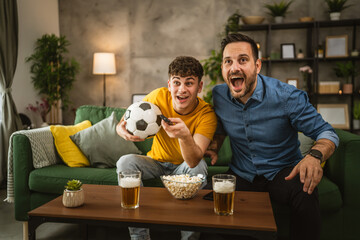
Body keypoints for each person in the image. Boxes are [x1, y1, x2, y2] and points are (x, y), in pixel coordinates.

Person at [206, 33, 339, 240]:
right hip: (242, 174)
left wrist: (314, 156)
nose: (234, 68)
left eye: (243, 60)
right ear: (222, 68)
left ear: (257, 65)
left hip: (283, 172)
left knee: (306, 191)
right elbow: (222, 125)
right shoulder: (219, 95)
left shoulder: (287, 96)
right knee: (203, 198)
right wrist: (215, 145)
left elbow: (327, 133)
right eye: (228, 62)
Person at [116, 56, 217, 240]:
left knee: (200, 167)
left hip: (183, 168)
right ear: (169, 84)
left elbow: (194, 161)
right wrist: (120, 130)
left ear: (199, 87)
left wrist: (184, 136)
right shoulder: (157, 97)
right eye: (177, 82)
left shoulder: (206, 114)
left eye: (189, 83)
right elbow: (124, 121)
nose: (182, 89)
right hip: (155, 162)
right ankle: (139, 237)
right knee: (125, 162)